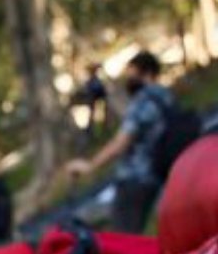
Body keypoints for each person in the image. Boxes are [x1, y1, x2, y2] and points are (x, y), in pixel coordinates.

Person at [66, 50, 176, 233]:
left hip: (135, 178)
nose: (128, 79)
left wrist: (90, 166)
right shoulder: (166, 97)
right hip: (161, 175)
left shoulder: (143, 100)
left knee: (124, 240)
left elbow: (121, 142)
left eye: (132, 74)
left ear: (147, 73)